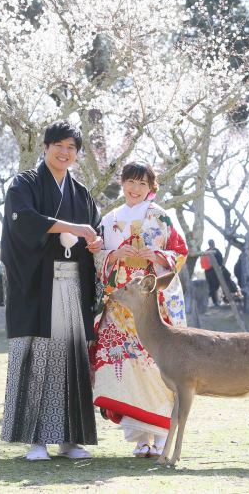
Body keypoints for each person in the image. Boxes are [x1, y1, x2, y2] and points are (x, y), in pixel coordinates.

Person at [0, 120, 103, 461]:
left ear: (77, 154)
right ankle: (36, 441)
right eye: (58, 145)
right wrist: (73, 227)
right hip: (36, 288)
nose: (64, 152)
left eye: (71, 147)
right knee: (37, 358)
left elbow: (95, 231)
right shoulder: (25, 183)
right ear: (45, 147)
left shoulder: (81, 193)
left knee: (70, 361)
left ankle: (70, 439)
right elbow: (23, 219)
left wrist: (95, 242)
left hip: (72, 284)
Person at [90, 162, 188, 458]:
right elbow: (98, 259)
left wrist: (157, 255)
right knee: (128, 369)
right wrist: (112, 254)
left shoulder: (162, 217)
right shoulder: (109, 219)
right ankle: (139, 438)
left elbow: (180, 253)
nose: (134, 189)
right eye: (130, 182)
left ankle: (160, 436)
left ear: (151, 188)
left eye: (141, 184)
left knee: (155, 367)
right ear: (121, 183)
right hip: (121, 307)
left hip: (152, 306)